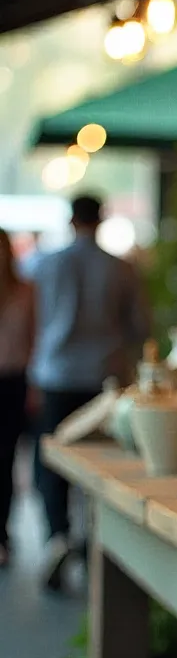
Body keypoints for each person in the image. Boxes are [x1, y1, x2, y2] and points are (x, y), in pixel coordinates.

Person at [31, 194, 149, 589]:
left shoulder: (47, 264)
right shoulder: (121, 269)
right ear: (101, 220)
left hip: (57, 374)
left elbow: (35, 320)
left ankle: (57, 534)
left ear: (71, 220)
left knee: (52, 461)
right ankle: (92, 537)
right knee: (102, 462)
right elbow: (140, 326)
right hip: (105, 375)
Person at [0, 229, 34, 568]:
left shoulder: (25, 291)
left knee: (6, 459)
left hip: (13, 381)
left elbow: (34, 339)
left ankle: (2, 533)